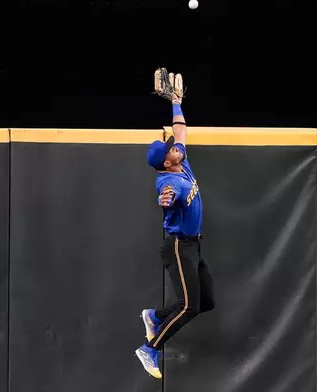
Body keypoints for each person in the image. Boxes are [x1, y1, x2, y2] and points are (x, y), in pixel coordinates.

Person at [135, 69, 215, 379]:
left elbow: (180, 131)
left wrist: (176, 102)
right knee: (188, 306)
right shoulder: (168, 181)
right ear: (167, 162)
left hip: (194, 245)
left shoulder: (180, 158)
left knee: (206, 302)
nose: (174, 146)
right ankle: (149, 348)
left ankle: (153, 316)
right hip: (179, 247)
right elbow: (165, 196)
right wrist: (165, 202)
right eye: (169, 149)